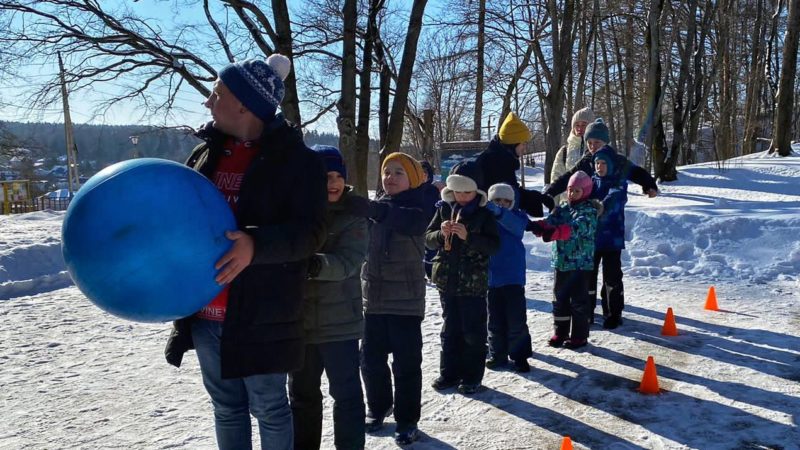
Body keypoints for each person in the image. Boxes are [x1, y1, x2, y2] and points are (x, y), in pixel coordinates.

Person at [164, 54, 328, 450]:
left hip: (262, 312)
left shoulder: (298, 162)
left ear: (242, 103)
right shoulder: (204, 156)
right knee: (226, 407)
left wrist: (257, 244)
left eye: (215, 92)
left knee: (270, 407)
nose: (208, 101)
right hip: (206, 312)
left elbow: (311, 233)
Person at [340, 152, 431, 446]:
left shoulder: (421, 205)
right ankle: (378, 407)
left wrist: (372, 210)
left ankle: (407, 420)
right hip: (373, 301)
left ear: (413, 179)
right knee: (370, 360)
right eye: (386, 172)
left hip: (405, 304)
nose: (390, 177)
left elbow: (408, 223)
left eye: (398, 172)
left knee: (406, 365)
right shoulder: (376, 209)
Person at [289, 145, 367, 450]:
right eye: (325, 177)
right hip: (301, 323)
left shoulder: (354, 214)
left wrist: (311, 263)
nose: (333, 183)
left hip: (341, 325)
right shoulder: (295, 214)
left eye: (337, 176)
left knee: (346, 395)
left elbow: (349, 262)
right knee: (302, 396)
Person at [425, 161, 500, 395]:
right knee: (450, 329)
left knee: (472, 331)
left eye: (467, 191)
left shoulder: (484, 215)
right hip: (447, 281)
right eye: (458, 191)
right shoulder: (443, 209)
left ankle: (472, 376)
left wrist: (468, 237)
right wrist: (440, 233)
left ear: (477, 191)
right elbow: (427, 238)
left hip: (473, 284)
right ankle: (449, 373)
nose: (462, 196)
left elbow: (494, 246)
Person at [529, 171, 600, 350]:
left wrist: (557, 232)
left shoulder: (589, 211)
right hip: (561, 263)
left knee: (578, 302)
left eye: (576, 191)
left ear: (585, 191)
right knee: (559, 299)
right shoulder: (563, 208)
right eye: (569, 190)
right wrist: (540, 226)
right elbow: (552, 221)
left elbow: (578, 227)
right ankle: (560, 332)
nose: (571, 194)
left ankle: (579, 336)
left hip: (580, 265)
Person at [544, 118, 658, 200]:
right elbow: (568, 177)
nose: (593, 147)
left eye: (597, 142)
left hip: (613, 215)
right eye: (589, 143)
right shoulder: (586, 161)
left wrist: (649, 186)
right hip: (591, 212)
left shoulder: (617, 160)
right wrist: (550, 192)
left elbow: (637, 172)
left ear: (605, 142)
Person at [484, 183, 533, 373]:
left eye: (506, 201)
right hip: (492, 279)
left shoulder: (517, 217)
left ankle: (520, 356)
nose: (502, 204)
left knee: (516, 321)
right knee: (494, 321)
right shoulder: (486, 219)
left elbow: (517, 227)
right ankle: (497, 354)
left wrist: (497, 211)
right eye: (497, 200)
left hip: (513, 279)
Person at [475, 112, 554, 218]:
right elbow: (507, 196)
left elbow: (511, 191)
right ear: (513, 143)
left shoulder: (501, 158)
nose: (524, 148)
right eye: (523, 143)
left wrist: (538, 197)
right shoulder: (494, 162)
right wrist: (535, 198)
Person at [589, 146, 628, 330]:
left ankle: (613, 313)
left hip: (612, 239)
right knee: (588, 277)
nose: (600, 167)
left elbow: (615, 197)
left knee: (611, 278)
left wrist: (601, 207)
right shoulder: (590, 181)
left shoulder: (618, 181)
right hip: (592, 239)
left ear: (611, 165)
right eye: (597, 163)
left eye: (603, 163)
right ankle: (587, 311)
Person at [550, 107, 595, 204]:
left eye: (584, 125)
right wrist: (554, 205)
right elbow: (556, 177)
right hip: (567, 207)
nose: (580, 128)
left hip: (592, 208)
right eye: (577, 125)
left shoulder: (597, 149)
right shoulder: (564, 151)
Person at [419, 160, 444, 281]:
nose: (423, 175)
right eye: (420, 172)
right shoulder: (411, 190)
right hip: (417, 226)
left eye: (425, 172)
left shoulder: (433, 190)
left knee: (431, 252)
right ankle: (419, 274)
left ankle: (430, 273)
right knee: (417, 253)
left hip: (431, 225)